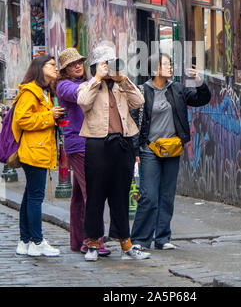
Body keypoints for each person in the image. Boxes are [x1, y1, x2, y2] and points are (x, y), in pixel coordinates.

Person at [77, 44, 150, 262]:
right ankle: (92, 243)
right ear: (95, 67)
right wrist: (97, 79)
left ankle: (126, 244)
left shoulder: (121, 86)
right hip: (97, 145)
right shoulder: (87, 86)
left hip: (123, 144)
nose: (110, 68)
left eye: (112, 63)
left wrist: (124, 80)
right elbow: (83, 103)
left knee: (120, 196)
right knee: (96, 195)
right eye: (105, 64)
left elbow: (139, 101)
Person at [131, 52, 211, 250]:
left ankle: (163, 238)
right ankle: (140, 240)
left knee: (167, 195)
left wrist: (199, 81)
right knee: (148, 195)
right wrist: (136, 151)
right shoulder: (142, 91)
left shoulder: (178, 89)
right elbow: (133, 123)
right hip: (149, 149)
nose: (170, 67)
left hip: (173, 148)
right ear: (155, 69)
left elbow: (201, 99)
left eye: (170, 63)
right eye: (166, 64)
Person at [56, 48, 110, 256]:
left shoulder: (86, 83)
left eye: (79, 62)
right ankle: (93, 241)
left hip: (91, 142)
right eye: (72, 64)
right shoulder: (64, 86)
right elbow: (78, 95)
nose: (77, 66)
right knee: (92, 193)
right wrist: (98, 78)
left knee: (79, 195)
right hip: (79, 144)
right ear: (64, 70)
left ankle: (78, 239)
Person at [12, 54, 65, 257]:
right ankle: (36, 240)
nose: (55, 69)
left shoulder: (44, 92)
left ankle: (24, 241)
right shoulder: (30, 91)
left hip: (40, 148)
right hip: (34, 150)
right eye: (51, 65)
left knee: (29, 196)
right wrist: (49, 116)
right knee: (36, 197)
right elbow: (22, 119)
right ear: (39, 68)